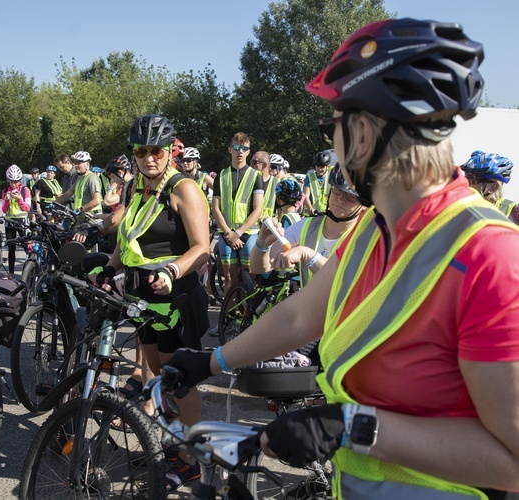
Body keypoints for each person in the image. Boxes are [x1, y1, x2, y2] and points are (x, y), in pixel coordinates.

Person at [165, 18, 519, 499]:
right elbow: (301, 315)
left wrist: (352, 427)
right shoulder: (378, 230)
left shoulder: (490, 257)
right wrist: (213, 360)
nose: (332, 146)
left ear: (364, 133)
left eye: (332, 125)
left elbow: (513, 462)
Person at [99, 114, 210, 492]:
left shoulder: (184, 189)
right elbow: (126, 238)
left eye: (156, 151)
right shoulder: (135, 189)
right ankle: (166, 442)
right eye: (141, 151)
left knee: (181, 382)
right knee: (154, 374)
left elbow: (203, 248)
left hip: (178, 297)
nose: (149, 158)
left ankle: (192, 459)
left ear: (170, 151)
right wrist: (107, 267)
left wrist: (172, 272)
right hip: (143, 296)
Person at [252, 165, 364, 289]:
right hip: (308, 307)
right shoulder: (306, 226)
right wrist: (262, 245)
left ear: (364, 204)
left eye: (351, 196)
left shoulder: (365, 236)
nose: (341, 199)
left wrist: (306, 253)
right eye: (337, 190)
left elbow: (346, 281)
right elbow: (260, 267)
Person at [211, 132, 265, 295]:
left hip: (248, 234)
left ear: (248, 152)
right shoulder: (221, 175)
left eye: (244, 148)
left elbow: (258, 209)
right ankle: (228, 315)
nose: (240, 151)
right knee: (229, 277)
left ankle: (247, 314)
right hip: (226, 233)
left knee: (249, 278)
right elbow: (215, 208)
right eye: (236, 147)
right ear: (230, 150)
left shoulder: (256, 176)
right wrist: (229, 233)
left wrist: (238, 233)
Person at [461, 150, 519, 224]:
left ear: (492, 187)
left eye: (472, 179)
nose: (465, 182)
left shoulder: (515, 212)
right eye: (466, 176)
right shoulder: (459, 208)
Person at [1, 164, 31, 274]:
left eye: (16, 181)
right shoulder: (5, 191)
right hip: (9, 220)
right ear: (8, 180)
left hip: (21, 220)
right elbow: (4, 210)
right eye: (11, 181)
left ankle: (31, 269)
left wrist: (19, 199)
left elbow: (27, 208)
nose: (14, 184)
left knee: (26, 246)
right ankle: (11, 273)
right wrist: (8, 200)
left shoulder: (25, 190)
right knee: (11, 248)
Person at [303, 151, 332, 215]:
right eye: (317, 166)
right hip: (314, 213)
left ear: (328, 166)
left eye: (322, 167)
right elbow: (305, 195)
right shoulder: (309, 176)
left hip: (328, 213)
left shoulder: (331, 176)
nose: (319, 169)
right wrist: (310, 208)